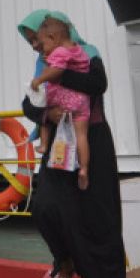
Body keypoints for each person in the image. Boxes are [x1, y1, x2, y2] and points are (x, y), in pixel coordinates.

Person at [18, 9, 126, 278]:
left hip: (90, 140)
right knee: (45, 207)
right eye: (30, 42)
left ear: (51, 33)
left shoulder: (87, 54)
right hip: (58, 145)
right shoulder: (43, 64)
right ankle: (65, 264)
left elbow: (97, 84)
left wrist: (59, 69)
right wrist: (46, 114)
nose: (34, 47)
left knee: (96, 218)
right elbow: (29, 104)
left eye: (36, 39)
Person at [30, 17, 92, 189]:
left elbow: (57, 70)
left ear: (52, 38)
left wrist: (39, 79)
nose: (43, 50)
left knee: (43, 108)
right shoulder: (78, 50)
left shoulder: (60, 52)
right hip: (82, 103)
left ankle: (43, 144)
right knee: (82, 136)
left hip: (63, 100)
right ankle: (84, 169)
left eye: (43, 45)